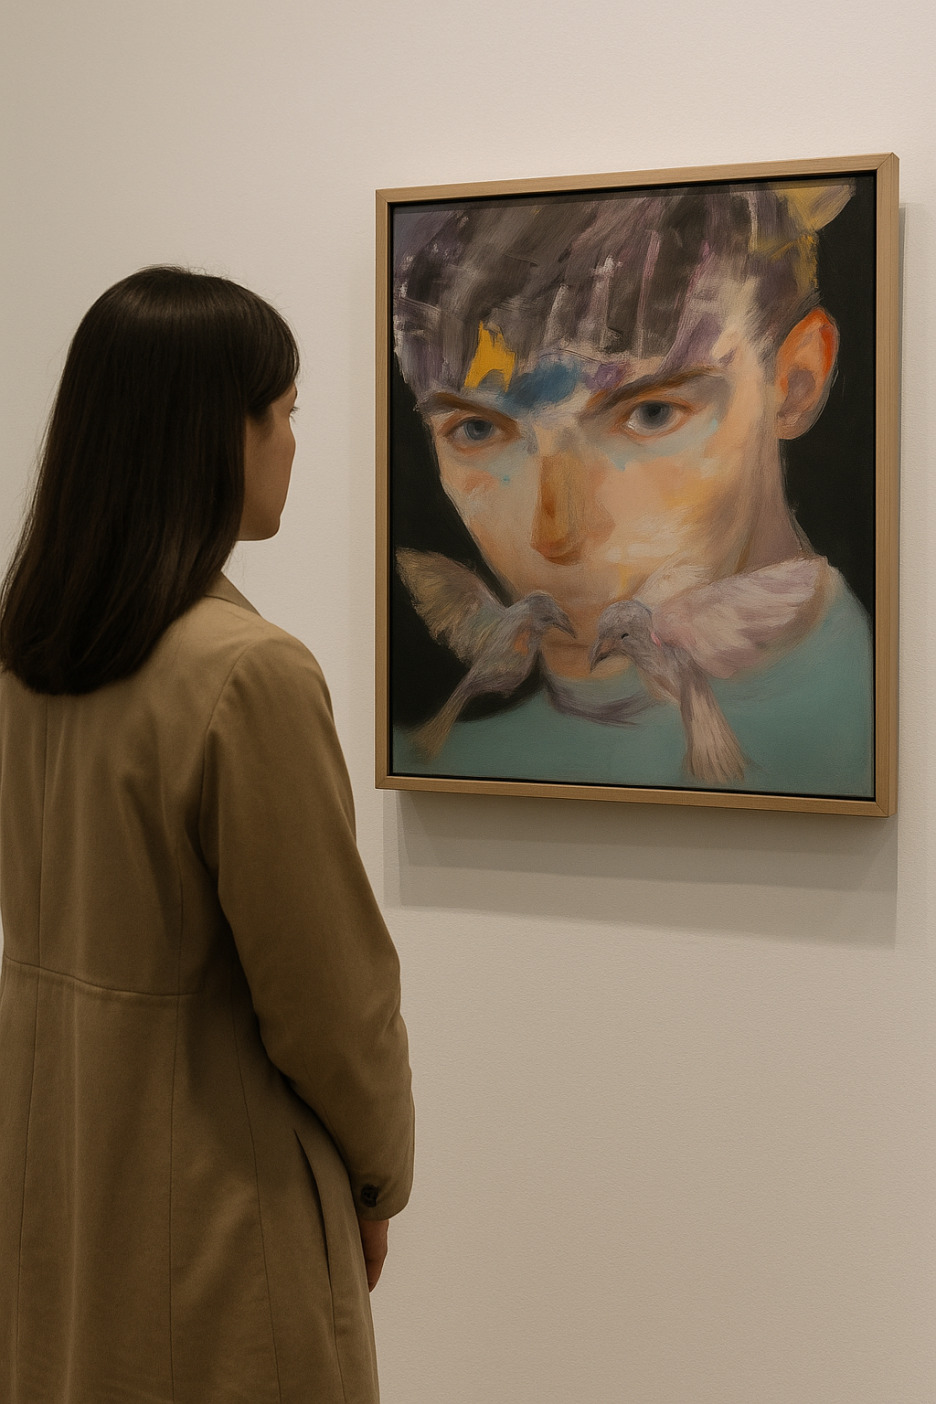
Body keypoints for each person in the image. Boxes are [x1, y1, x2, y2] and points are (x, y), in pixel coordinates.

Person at [0, 267, 414, 1403]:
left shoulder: (29, 656)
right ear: (214, 433)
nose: (293, 443)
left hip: (60, 1189)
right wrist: (377, 1180)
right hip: (222, 1217)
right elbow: (331, 1001)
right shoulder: (247, 674)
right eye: (282, 413)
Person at [390, 181, 874, 797]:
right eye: (478, 429)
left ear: (796, 382)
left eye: (650, 414)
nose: (556, 534)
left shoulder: (879, 724)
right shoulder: (447, 763)